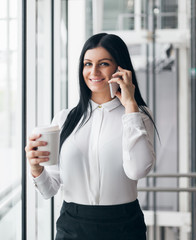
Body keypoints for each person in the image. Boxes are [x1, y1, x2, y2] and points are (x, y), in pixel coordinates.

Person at [25, 33, 156, 240]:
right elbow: (49, 190)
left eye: (103, 63)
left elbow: (138, 170)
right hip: (72, 226)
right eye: (87, 64)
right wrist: (35, 168)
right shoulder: (64, 118)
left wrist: (130, 105)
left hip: (123, 226)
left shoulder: (137, 116)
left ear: (120, 68)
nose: (93, 71)